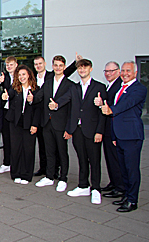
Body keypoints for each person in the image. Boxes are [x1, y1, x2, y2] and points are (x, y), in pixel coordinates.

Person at [49, 59, 107, 205]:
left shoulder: (99, 87)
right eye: (80, 68)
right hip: (78, 130)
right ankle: (83, 185)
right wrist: (56, 105)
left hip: (92, 131)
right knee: (81, 158)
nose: (82, 70)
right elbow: (65, 99)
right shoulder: (74, 88)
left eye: (84, 68)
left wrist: (99, 131)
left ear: (91, 69)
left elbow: (103, 113)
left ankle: (96, 189)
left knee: (94, 160)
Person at [99, 61, 147, 212]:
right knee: (123, 169)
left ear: (135, 72)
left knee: (131, 169)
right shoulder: (121, 88)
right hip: (119, 135)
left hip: (131, 135)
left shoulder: (139, 89)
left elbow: (127, 104)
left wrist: (110, 110)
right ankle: (126, 195)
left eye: (128, 71)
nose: (125, 73)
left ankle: (132, 200)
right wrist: (113, 135)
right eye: (124, 71)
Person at [31, 56, 74, 192]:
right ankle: (49, 177)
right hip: (47, 122)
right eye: (55, 65)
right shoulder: (48, 82)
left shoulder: (69, 84)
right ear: (52, 66)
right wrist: (32, 98)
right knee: (49, 151)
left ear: (64, 67)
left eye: (60, 66)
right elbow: (40, 96)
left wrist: (57, 105)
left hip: (61, 124)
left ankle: (63, 178)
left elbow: (69, 101)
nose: (58, 68)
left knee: (62, 152)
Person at [2, 65, 40, 184]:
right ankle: (16, 173)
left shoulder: (36, 90)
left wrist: (35, 124)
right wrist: (5, 97)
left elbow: (38, 109)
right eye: (19, 75)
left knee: (28, 149)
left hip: (29, 123)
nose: (22, 77)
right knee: (16, 148)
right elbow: (8, 95)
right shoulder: (15, 88)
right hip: (15, 122)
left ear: (29, 75)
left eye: (24, 74)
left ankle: (26, 175)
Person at [93, 61, 125, 199]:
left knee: (115, 159)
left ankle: (120, 187)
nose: (108, 74)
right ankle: (114, 183)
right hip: (107, 129)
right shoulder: (110, 85)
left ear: (118, 71)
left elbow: (116, 106)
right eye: (106, 71)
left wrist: (102, 104)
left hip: (113, 130)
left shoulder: (119, 86)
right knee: (110, 159)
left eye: (112, 71)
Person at [0, 56, 17, 174]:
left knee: (15, 138)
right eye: (7, 65)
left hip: (16, 111)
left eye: (11, 65)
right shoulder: (6, 76)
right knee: (6, 137)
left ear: (16, 65)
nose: (9, 67)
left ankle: (15, 162)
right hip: (5, 111)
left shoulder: (20, 76)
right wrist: (0, 81)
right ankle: (6, 163)